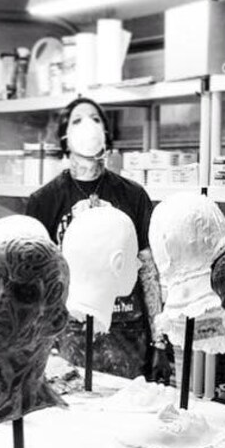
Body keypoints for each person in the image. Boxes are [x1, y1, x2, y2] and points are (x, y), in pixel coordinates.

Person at [26, 96, 171, 382]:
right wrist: (37, 342)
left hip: (127, 328)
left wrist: (159, 342)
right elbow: (35, 278)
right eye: (77, 120)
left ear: (106, 132)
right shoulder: (44, 201)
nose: (88, 126)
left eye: (95, 119)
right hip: (70, 329)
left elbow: (148, 270)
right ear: (65, 136)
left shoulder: (133, 195)